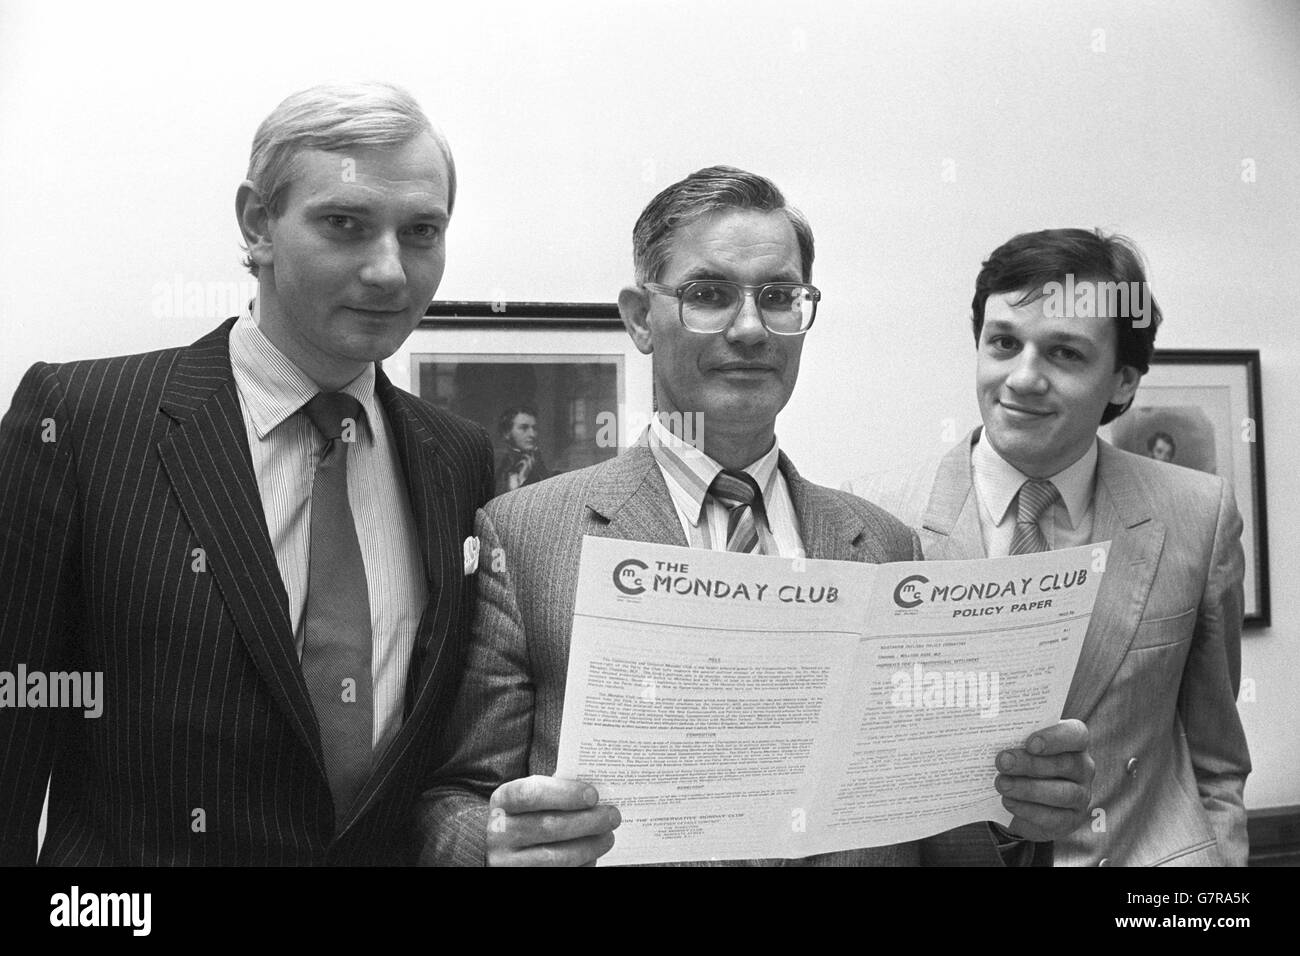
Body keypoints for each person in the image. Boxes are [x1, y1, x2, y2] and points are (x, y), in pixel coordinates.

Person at [418, 166, 1094, 867]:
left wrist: (1015, 819)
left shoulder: (885, 548)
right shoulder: (528, 535)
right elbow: (453, 799)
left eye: (779, 297)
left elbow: (933, 825)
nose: (749, 328)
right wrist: (495, 843)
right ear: (639, 317)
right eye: (708, 295)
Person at [0, 82, 494, 865]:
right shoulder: (83, 421)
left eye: (422, 231)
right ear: (258, 222)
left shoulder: (459, 459)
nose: (389, 271)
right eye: (345, 224)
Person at [845, 228, 1250, 866]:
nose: (1024, 378)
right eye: (1004, 343)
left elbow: (1218, 761)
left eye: (1063, 353)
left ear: (1121, 380)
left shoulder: (1199, 516)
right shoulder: (869, 520)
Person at [494, 404, 552, 494]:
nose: (532, 434)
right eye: (524, 428)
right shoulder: (498, 463)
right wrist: (521, 479)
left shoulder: (538, 462)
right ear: (507, 433)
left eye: (534, 428)